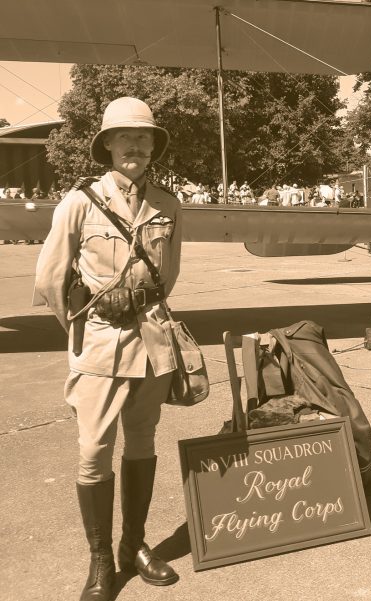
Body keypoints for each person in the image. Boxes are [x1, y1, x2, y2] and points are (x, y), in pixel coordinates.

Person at [33, 97, 182, 601]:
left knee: (142, 444)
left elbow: (170, 274)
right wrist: (87, 323)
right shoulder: (79, 202)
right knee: (94, 453)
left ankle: (133, 547)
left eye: (143, 137)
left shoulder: (168, 204)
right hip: (99, 346)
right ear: (107, 146)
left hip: (152, 345)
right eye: (125, 137)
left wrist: (142, 306)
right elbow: (50, 279)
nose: (135, 145)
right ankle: (100, 561)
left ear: (153, 146)